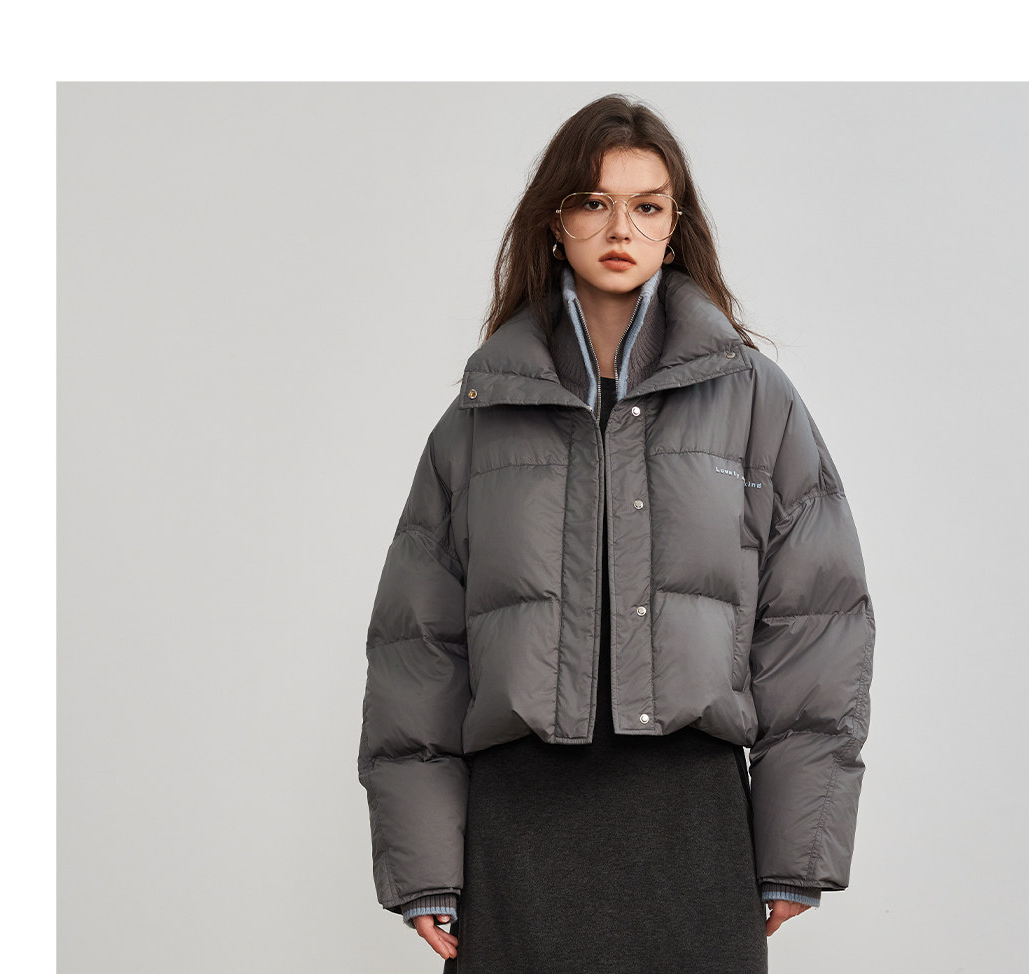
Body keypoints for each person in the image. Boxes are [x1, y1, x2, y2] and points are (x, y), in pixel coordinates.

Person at [357, 93, 876, 973]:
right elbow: (419, 649)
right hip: (518, 826)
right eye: (593, 202)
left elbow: (817, 625)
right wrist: (427, 870)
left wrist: (796, 847)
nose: (619, 228)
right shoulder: (481, 416)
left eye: (647, 205)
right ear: (555, 223)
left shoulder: (755, 401)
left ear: (675, 230)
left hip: (693, 823)